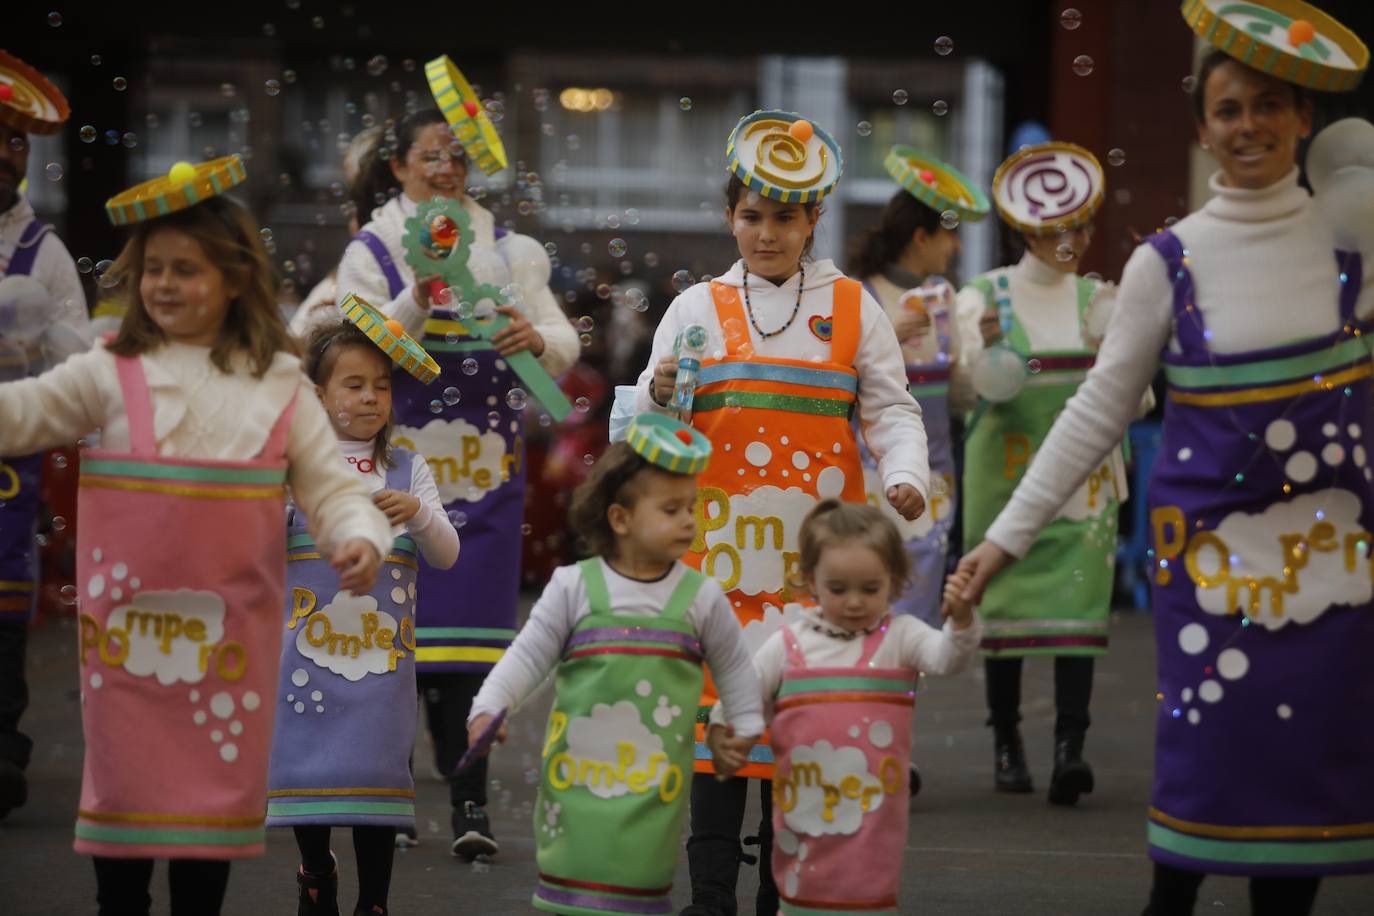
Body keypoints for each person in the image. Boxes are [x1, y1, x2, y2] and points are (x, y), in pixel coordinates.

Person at [954, 5, 1374, 912]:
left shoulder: (1354, 249)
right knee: (1205, 765)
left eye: (1269, 104)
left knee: (1300, 795)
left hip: (1335, 572)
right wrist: (1002, 542)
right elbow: (1096, 411)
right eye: (1229, 110)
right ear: (1202, 128)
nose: (1249, 125)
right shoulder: (1166, 262)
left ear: (1304, 117)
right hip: (1212, 568)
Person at [0, 157, 391, 914]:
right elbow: (23, 413)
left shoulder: (280, 383)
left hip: (227, 670)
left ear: (236, 278)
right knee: (120, 856)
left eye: (187, 268)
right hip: (127, 671)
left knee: (203, 858)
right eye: (153, 269)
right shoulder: (107, 372)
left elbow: (334, 488)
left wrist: (359, 534)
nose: (164, 285)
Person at [636, 110, 929, 916]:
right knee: (715, 734)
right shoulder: (694, 308)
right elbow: (638, 434)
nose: (767, 233)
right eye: (751, 216)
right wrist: (658, 397)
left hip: (820, 574)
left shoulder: (853, 306)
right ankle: (709, 900)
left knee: (802, 730)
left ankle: (782, 898)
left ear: (813, 220)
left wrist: (905, 476)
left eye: (785, 217)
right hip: (717, 566)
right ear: (731, 216)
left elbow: (893, 410)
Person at [330, 103, 578, 857]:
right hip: (397, 474)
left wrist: (535, 336)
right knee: (392, 650)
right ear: (399, 165)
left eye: (457, 156)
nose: (446, 167)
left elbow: (563, 343)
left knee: (474, 655)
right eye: (430, 155)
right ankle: (390, 802)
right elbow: (349, 342)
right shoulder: (373, 248)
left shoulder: (513, 250)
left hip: (488, 482)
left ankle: (471, 808)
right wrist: (420, 294)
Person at [467, 415, 764, 914]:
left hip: (653, 787)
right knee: (572, 885)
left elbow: (735, 668)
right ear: (620, 518)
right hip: (577, 777)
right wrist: (490, 706)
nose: (689, 521)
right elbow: (529, 654)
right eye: (671, 509)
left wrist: (745, 726)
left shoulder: (702, 596)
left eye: (690, 508)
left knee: (638, 885)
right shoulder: (574, 585)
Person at [956, 140, 1130, 804]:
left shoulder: (1103, 299)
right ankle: (1006, 743)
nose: (1072, 238)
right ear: (1023, 226)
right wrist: (990, 353)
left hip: (1085, 488)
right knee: (1001, 611)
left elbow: (1136, 400)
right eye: (1057, 227)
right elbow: (965, 398)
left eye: (1081, 225)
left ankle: (1069, 749)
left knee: (1078, 611)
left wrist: (1111, 355)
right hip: (1001, 479)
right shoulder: (983, 296)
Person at [267, 317, 459, 916]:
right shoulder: (291, 468)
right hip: (305, 656)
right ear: (317, 396)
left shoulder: (407, 468)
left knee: (379, 774)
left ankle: (374, 901)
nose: (371, 397)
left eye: (380, 384)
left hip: (382, 666)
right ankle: (316, 870)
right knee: (308, 766)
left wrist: (420, 515)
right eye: (353, 385)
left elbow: (447, 554)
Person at [708, 499, 979, 915]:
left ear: (895, 579)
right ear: (811, 581)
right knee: (801, 897)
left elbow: (947, 658)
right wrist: (724, 729)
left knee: (865, 899)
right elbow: (743, 691)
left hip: (872, 828)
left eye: (870, 589)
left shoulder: (900, 637)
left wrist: (961, 621)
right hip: (804, 821)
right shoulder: (790, 645)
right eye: (838, 589)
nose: (854, 602)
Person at [0, 48, 89, 820]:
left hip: (6, 476)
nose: (5, 152)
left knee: (1, 624)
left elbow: (82, 374)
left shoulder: (45, 254)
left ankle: (2, 747)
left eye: (16, 139)